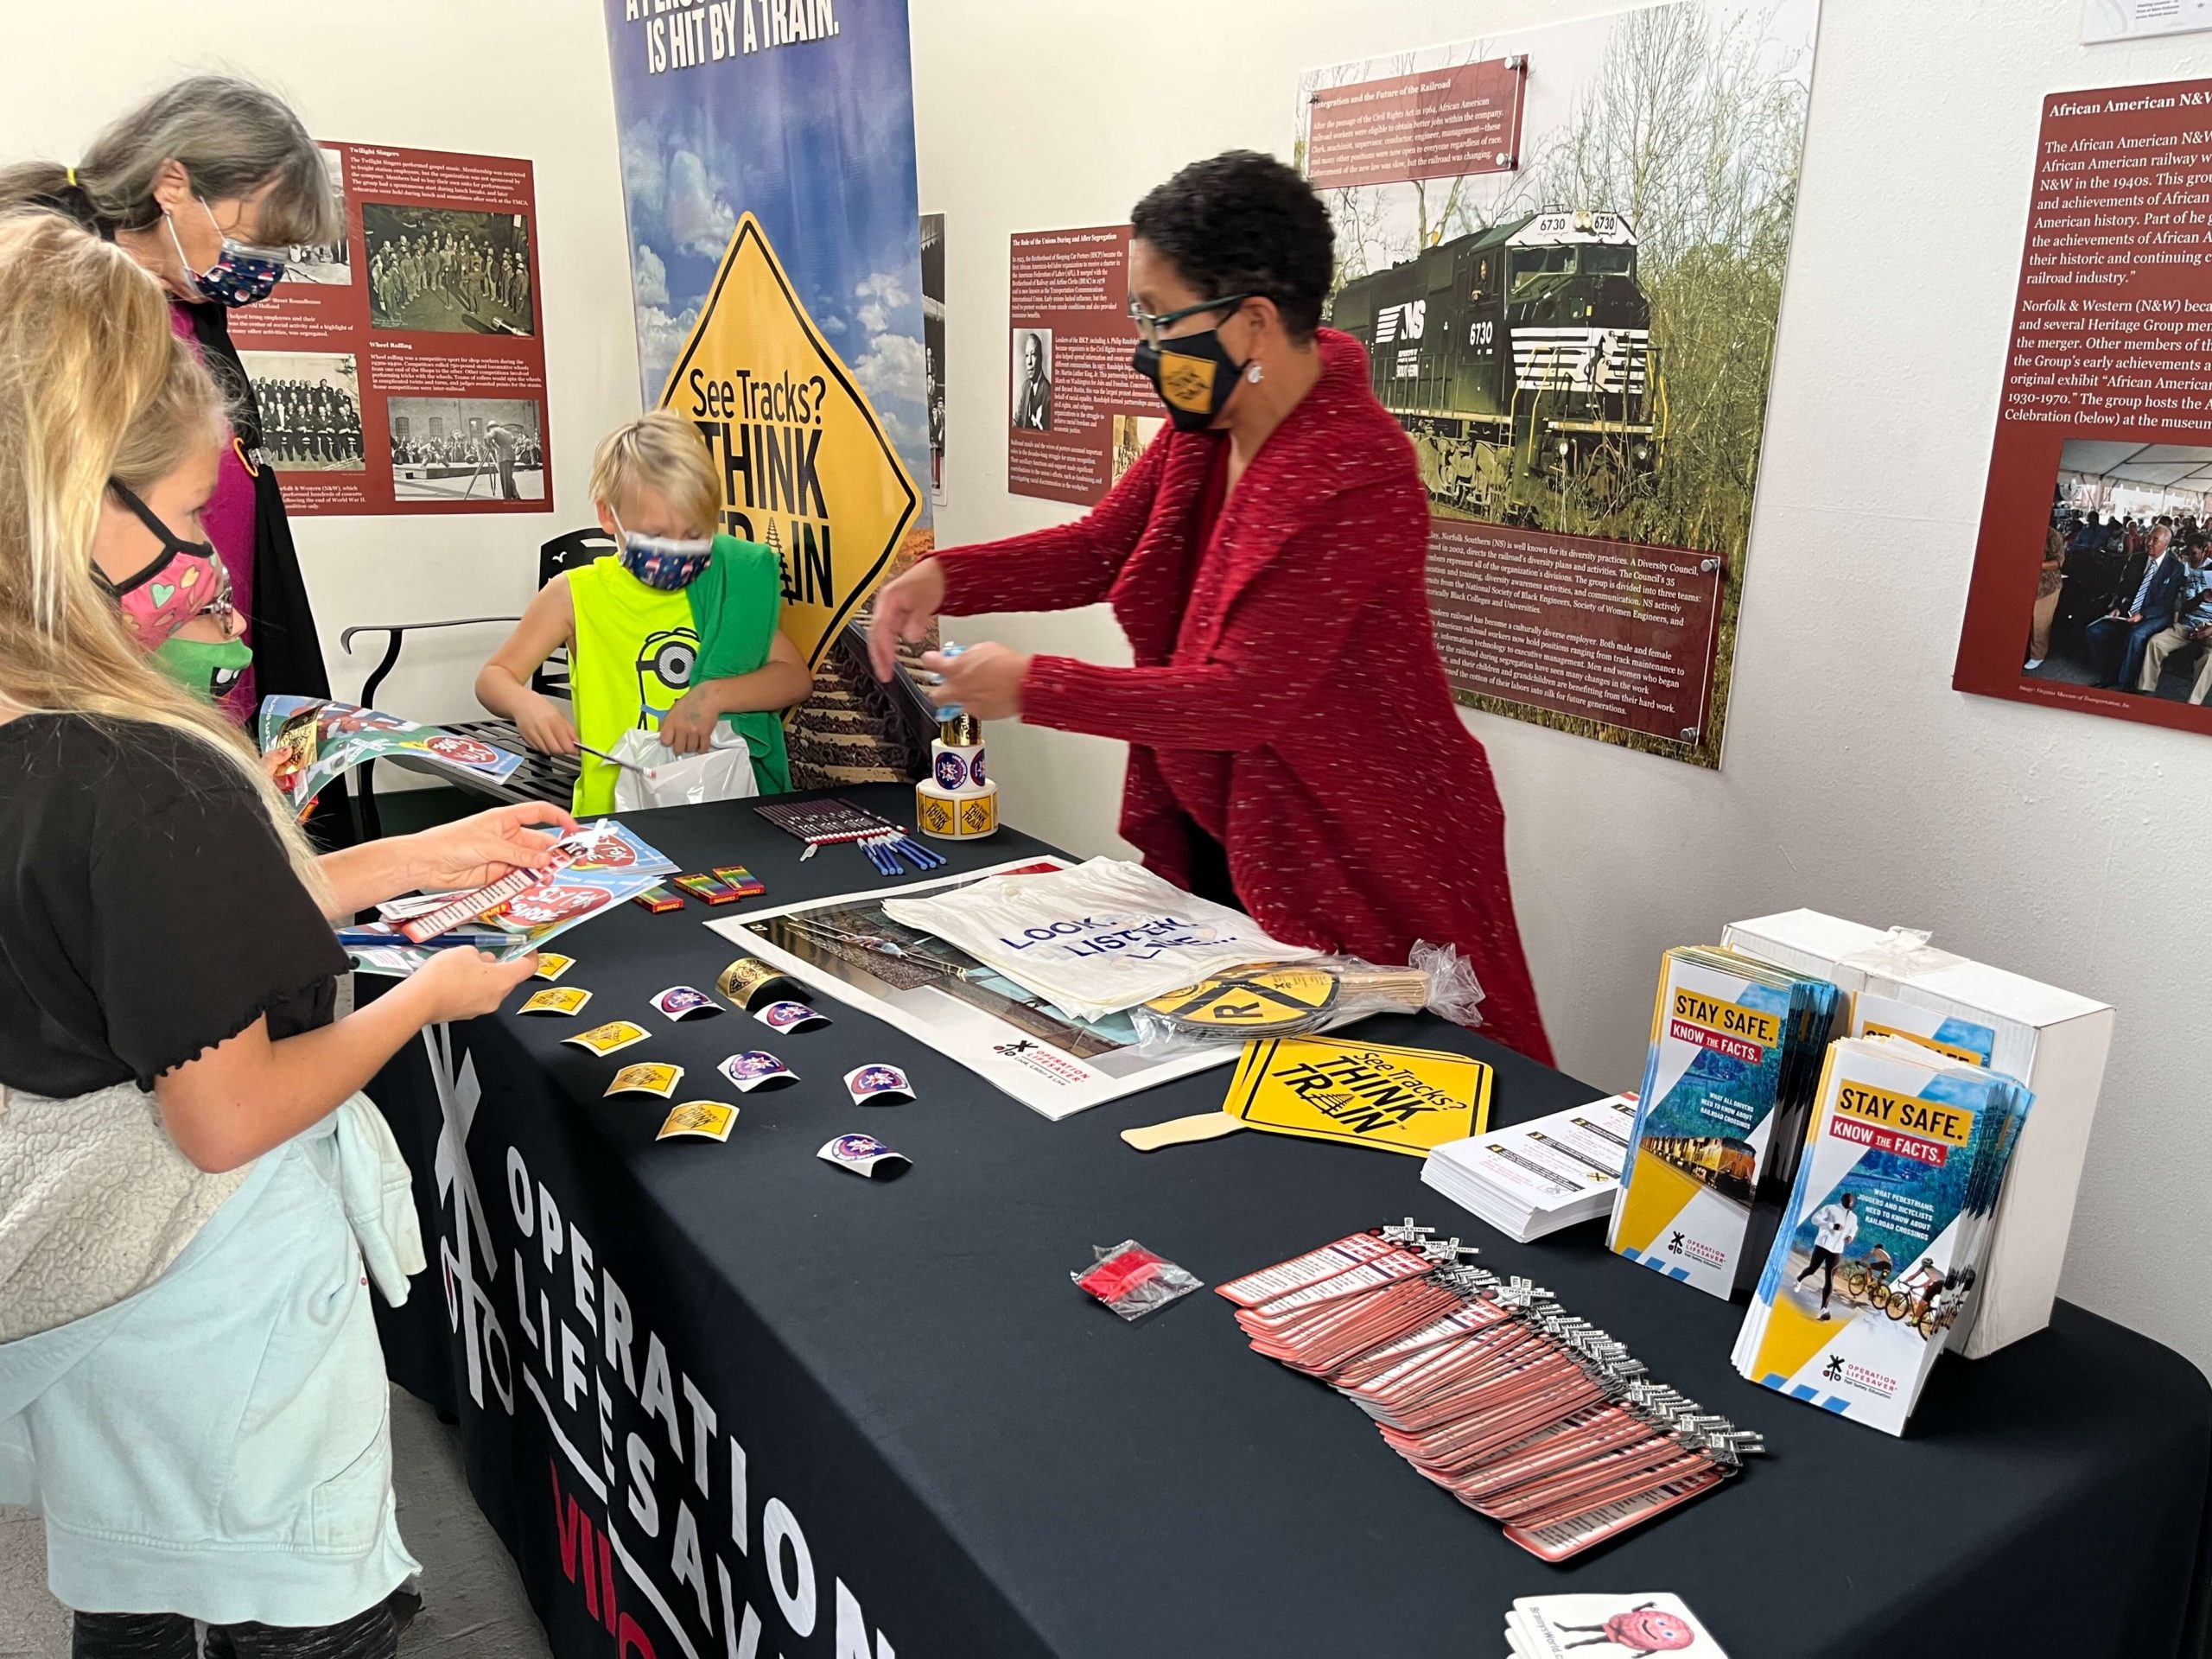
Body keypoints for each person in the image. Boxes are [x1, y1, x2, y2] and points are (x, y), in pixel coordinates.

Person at [0, 212, 580, 1659]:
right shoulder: (146, 770)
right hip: (211, 1314)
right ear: (81, 502)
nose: (208, 562)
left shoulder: (49, 736)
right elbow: (229, 1112)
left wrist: (411, 853)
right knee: (294, 1615)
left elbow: (146, 941)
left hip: (90, 1314)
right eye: (189, 520)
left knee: (133, 1587)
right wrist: (423, 999)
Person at [869, 150, 1552, 1062]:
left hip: (1364, 846)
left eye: (1159, 318)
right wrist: (945, 577)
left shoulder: (1359, 478)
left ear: (1254, 323)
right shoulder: (1210, 428)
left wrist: (1034, 686)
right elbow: (1105, 548)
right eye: (1136, 317)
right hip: (1239, 825)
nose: (1145, 347)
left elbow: (1242, 698)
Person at [0, 74, 340, 742]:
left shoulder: (194, 311)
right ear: (172, 185)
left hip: (202, 648)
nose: (262, 265)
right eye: (253, 237)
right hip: (110, 663)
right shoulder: (63, 298)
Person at [476, 409, 809, 812]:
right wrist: (524, 704)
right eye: (655, 533)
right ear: (607, 515)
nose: (676, 548)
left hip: (716, 810)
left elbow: (793, 678)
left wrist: (713, 695)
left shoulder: (723, 588)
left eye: (694, 533)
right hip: (614, 821)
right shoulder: (573, 595)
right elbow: (495, 677)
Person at [2088, 525, 2187, 690]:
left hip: (2156, 614)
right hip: (2129, 609)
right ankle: (2108, 675)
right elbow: (2123, 587)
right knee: (2095, 630)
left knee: (2136, 634)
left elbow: (2167, 602)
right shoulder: (2136, 559)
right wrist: (2119, 607)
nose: (2148, 543)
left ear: (2166, 544)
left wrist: (2143, 614)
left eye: (2155, 540)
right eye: (2148, 538)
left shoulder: (2175, 567)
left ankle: (2126, 684)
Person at [2135, 534, 2212, 694]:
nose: (2191, 557)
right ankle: (2145, 688)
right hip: (2189, 624)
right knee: (2156, 643)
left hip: (2210, 628)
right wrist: (2202, 597)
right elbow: (2185, 606)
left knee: (2209, 660)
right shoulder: (2197, 575)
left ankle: (2193, 704)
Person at [1796, 1192, 1858, 1319]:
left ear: (1853, 1203)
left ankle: (1824, 1309)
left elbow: (1853, 1228)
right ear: (1842, 1199)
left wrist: (1851, 1236)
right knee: (1812, 1269)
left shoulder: (1853, 1217)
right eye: (1847, 1199)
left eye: (1851, 1200)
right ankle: (1799, 1279)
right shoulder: (1831, 1208)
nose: (1849, 1202)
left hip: (1837, 1250)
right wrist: (1832, 1226)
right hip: (1823, 1245)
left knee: (1830, 1278)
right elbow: (1815, 1219)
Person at [2026, 520, 2065, 670]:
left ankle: (2038, 655)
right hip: (2028, 583)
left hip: (2047, 586)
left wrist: (2036, 564)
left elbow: (2058, 562)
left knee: (2040, 624)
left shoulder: (2053, 535)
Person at [1012, 330, 1053, 430]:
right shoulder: (1026, 387)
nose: (1029, 362)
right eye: (1027, 355)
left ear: (1041, 358)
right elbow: (1017, 421)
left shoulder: (1048, 393)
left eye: (1033, 354)